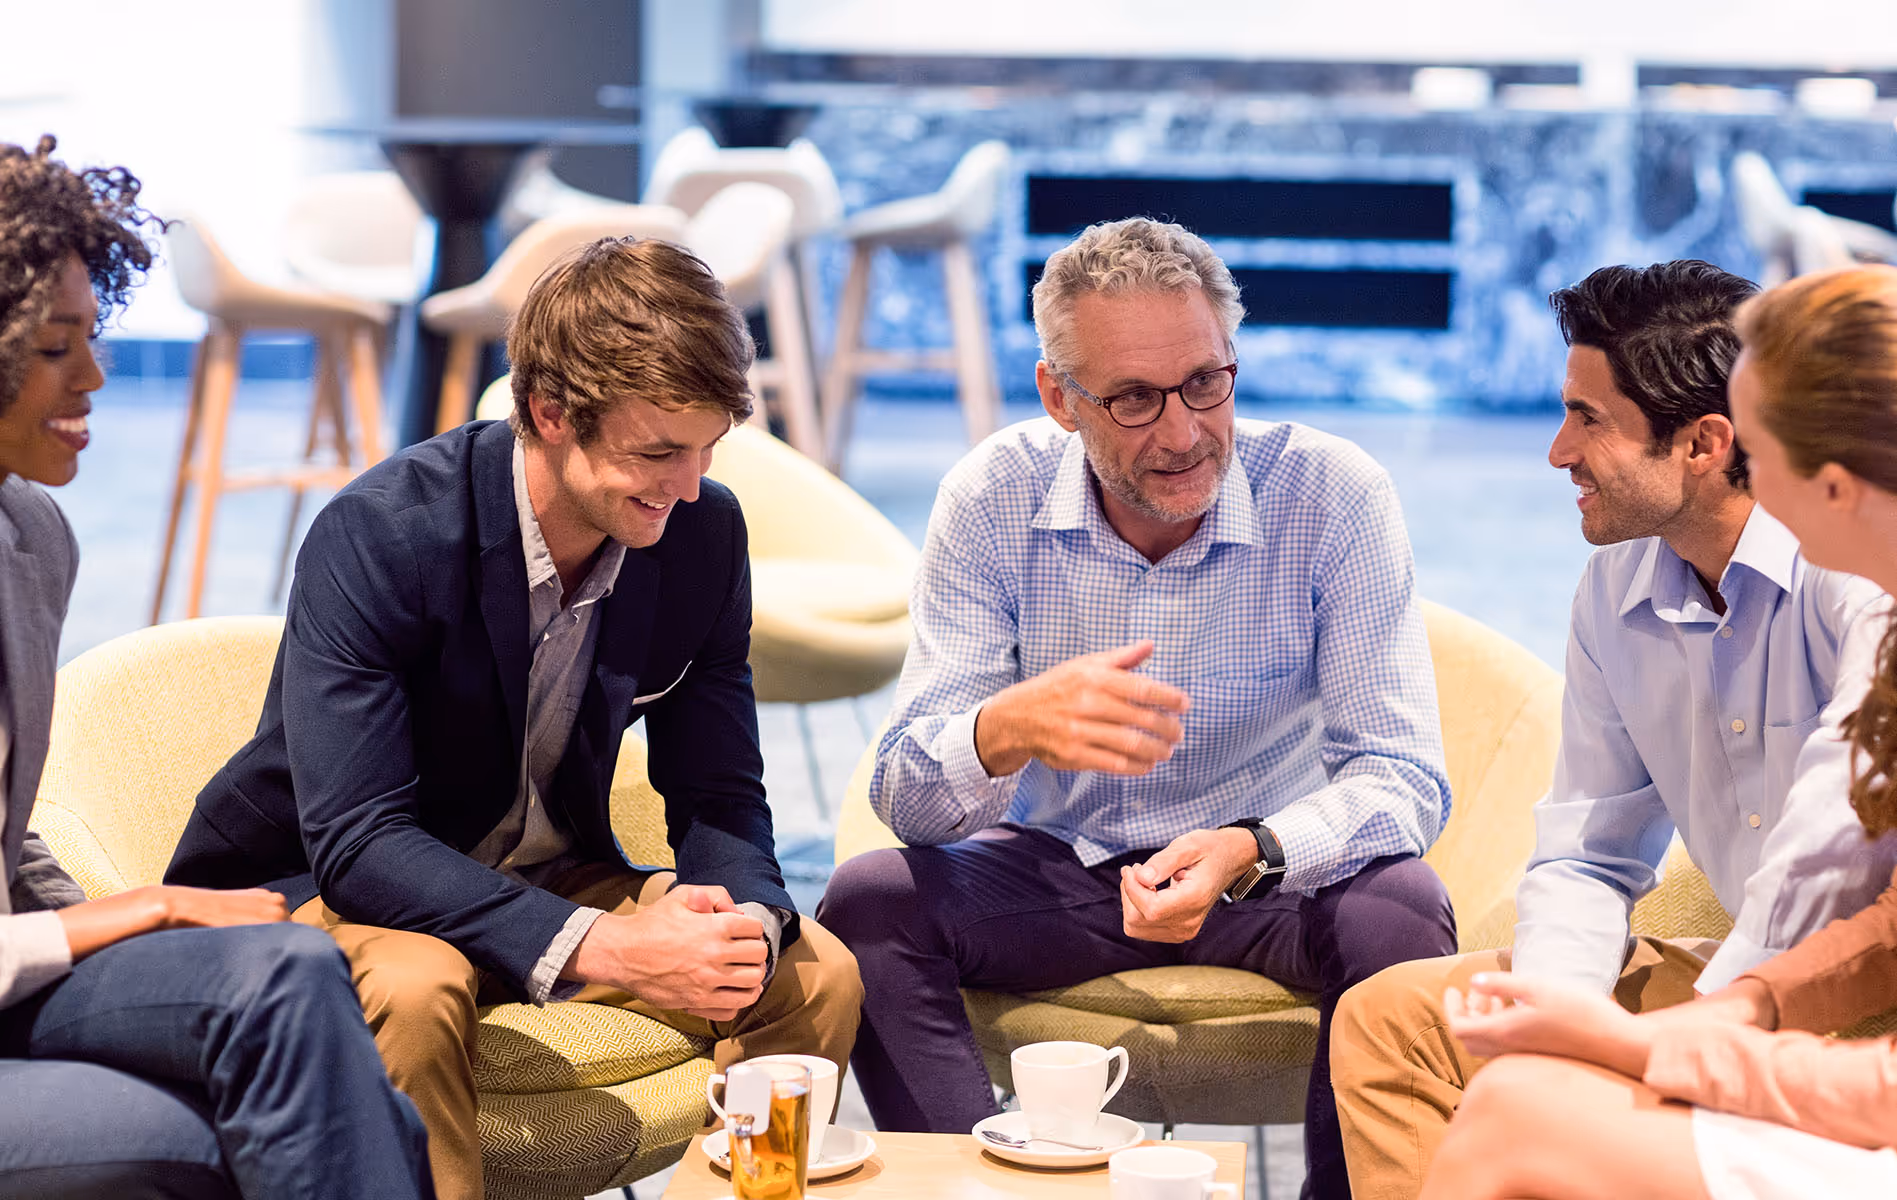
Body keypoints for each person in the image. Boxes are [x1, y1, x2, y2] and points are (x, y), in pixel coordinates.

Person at [164, 236, 862, 1200]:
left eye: (707, 450)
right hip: (327, 892)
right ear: (548, 413)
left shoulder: (701, 531)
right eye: (658, 452)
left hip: (543, 872)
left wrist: (740, 914)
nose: (689, 485)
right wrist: (609, 946)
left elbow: (720, 791)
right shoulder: (383, 533)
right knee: (417, 987)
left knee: (810, 969)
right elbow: (360, 843)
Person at [817, 216, 1457, 1200]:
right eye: (1133, 399)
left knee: (1404, 913)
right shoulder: (991, 498)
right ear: (1058, 399)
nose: (1183, 432)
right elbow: (904, 795)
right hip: (1060, 872)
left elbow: (1401, 774)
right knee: (865, 904)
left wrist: (1255, 847)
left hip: (1268, 876)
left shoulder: (1331, 496)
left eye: (1205, 382)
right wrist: (1006, 729)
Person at [1330, 260, 1895, 1200]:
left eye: (1586, 418)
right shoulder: (1615, 587)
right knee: (1397, 1020)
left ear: (1709, 444)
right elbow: (1588, 851)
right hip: (1778, 976)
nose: (1554, 451)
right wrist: (1566, 1017)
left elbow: (1824, 861)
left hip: (1845, 1010)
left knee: (1522, 1118)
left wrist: (1678, 1043)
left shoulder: (1858, 583)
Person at [0, 135, 434, 1200]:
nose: (96, 378)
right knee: (317, 1107)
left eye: (93, 338)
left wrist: (120, 906)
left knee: (294, 973)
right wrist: (134, 914)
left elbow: (10, 841)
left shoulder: (31, 539)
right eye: (59, 347)